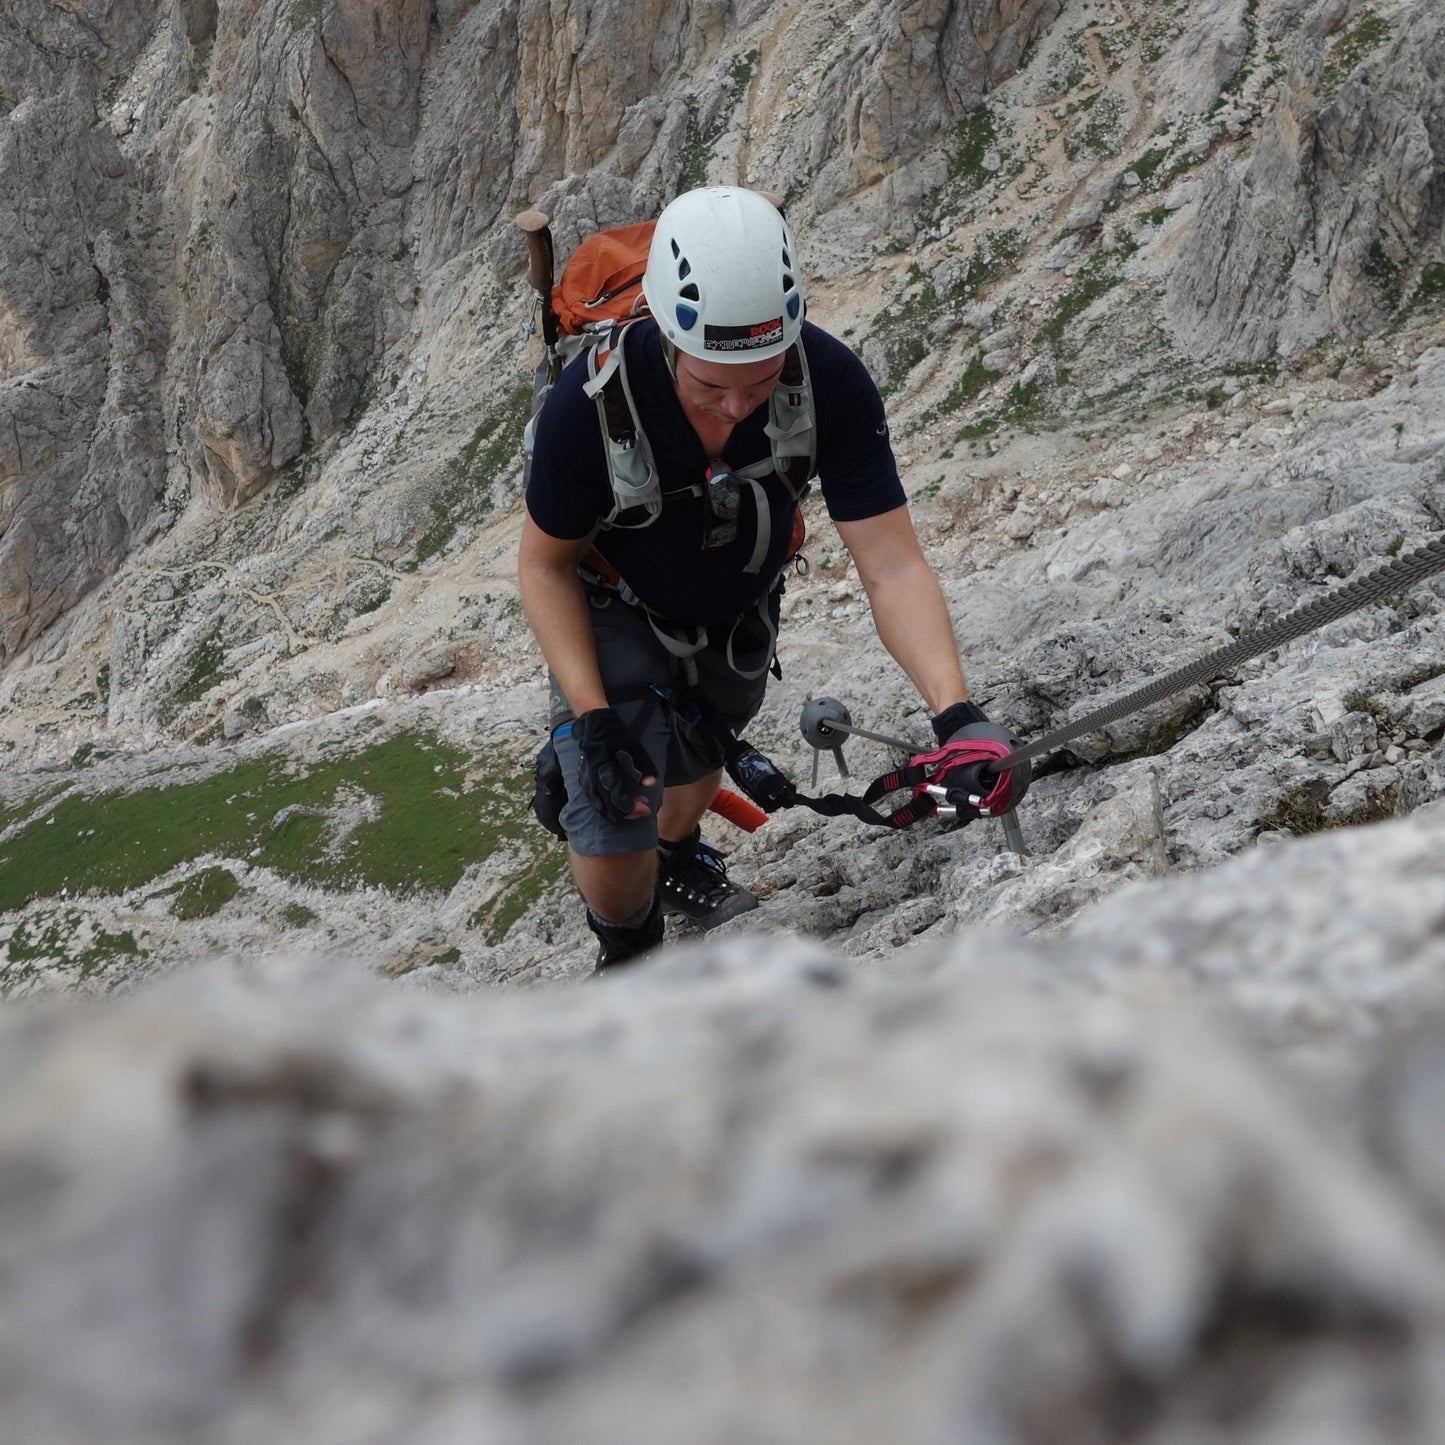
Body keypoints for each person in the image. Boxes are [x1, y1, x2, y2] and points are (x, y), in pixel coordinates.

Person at [518, 185, 1025, 970]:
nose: (731, 407)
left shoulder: (827, 381)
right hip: (611, 601)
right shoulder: (586, 404)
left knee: (693, 759)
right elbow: (543, 564)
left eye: (756, 385)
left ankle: (680, 853)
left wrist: (954, 715)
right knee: (614, 825)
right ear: (662, 336)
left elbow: (890, 563)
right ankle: (628, 954)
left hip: (736, 598)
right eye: (708, 383)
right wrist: (590, 718)